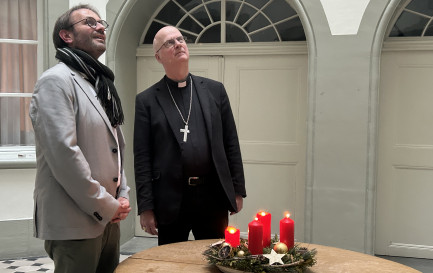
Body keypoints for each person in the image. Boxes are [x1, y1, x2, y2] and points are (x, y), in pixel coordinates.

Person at [29, 4, 131, 273]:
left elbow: (116, 149)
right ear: (67, 36)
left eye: (102, 23)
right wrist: (107, 206)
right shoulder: (56, 81)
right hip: (75, 222)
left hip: (108, 219)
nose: (100, 27)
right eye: (89, 22)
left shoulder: (99, 85)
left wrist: (123, 194)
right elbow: (65, 155)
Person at [134, 26, 246, 245]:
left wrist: (237, 189)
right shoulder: (146, 100)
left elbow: (230, 142)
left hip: (212, 196)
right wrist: (146, 207)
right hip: (170, 199)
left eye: (180, 39)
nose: (178, 44)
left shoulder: (215, 91)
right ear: (158, 57)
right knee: (173, 263)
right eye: (169, 42)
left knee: (213, 261)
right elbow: (142, 157)